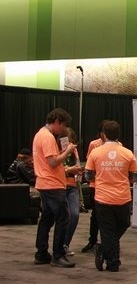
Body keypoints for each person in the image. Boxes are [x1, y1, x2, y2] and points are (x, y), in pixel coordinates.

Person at [85, 120, 137, 272]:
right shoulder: (128, 153)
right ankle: (113, 262)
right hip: (123, 197)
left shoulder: (95, 152)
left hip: (102, 197)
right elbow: (135, 177)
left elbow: (88, 176)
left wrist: (101, 176)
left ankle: (103, 249)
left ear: (103, 134)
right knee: (123, 224)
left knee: (107, 230)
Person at [32, 107, 77, 268]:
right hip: (51, 183)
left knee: (47, 218)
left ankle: (41, 254)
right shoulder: (47, 137)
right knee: (64, 217)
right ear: (57, 121)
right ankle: (58, 255)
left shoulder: (41, 134)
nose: (63, 129)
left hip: (46, 182)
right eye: (63, 125)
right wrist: (68, 151)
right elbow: (52, 162)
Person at [81, 120, 107, 253]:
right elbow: (89, 163)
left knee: (108, 216)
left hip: (109, 185)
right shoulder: (94, 144)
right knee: (95, 214)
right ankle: (92, 241)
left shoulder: (118, 145)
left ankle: (107, 241)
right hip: (95, 185)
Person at [61, 128, 83, 257]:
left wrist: (79, 171)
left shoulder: (74, 150)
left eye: (71, 141)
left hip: (73, 186)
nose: (69, 143)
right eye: (67, 140)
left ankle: (65, 244)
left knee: (74, 214)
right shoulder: (56, 150)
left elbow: (77, 165)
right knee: (62, 217)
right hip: (60, 186)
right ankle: (59, 246)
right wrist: (69, 170)